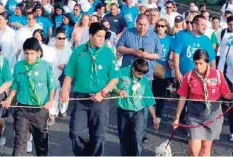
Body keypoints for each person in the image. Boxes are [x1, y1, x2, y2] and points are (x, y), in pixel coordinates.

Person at [60, 22, 120, 156]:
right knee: (75, 132)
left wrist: (103, 92)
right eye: (98, 36)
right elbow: (69, 73)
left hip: (101, 99)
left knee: (98, 135)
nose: (101, 39)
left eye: (103, 37)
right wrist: (64, 89)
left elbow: (115, 77)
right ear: (90, 35)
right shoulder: (79, 51)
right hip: (81, 98)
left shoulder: (108, 53)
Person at [2, 37, 59, 156]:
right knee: (19, 142)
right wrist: (9, 98)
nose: (29, 57)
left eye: (32, 54)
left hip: (40, 110)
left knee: (41, 142)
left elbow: (52, 86)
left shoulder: (46, 66)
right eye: (26, 53)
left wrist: (51, 101)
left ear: (39, 53)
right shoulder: (19, 66)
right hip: (22, 109)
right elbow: (16, 84)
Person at [173, 49, 233, 156]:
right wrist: (177, 117)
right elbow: (182, 97)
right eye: (196, 63)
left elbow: (225, 94)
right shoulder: (189, 75)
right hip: (194, 115)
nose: (198, 66)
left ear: (207, 62)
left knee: (205, 149)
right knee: (193, 149)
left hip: (213, 116)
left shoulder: (217, 75)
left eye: (201, 63)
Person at [116, 14, 163, 141]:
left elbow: (159, 55)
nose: (142, 27)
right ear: (136, 23)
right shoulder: (128, 33)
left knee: (143, 103)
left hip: (145, 76)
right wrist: (132, 51)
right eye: (140, 24)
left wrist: (146, 55)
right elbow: (119, 48)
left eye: (145, 25)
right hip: (128, 75)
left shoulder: (153, 36)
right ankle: (127, 128)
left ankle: (141, 131)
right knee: (127, 101)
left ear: (149, 25)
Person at [114, 58, 159, 156]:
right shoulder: (121, 72)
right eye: (139, 74)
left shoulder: (143, 80)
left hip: (138, 112)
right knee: (124, 138)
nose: (141, 77)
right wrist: (118, 91)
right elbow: (111, 86)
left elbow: (149, 99)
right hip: (123, 111)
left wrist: (154, 117)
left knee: (137, 138)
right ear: (133, 69)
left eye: (143, 75)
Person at [173, 15, 216, 83]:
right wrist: (177, 71)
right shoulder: (183, 36)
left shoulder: (207, 40)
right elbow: (176, 54)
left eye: (205, 25)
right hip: (184, 77)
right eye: (202, 25)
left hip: (201, 79)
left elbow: (212, 60)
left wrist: (213, 76)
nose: (204, 27)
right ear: (195, 26)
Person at [49, 28, 73, 124]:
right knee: (53, 95)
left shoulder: (69, 50)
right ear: (55, 39)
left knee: (64, 94)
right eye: (60, 38)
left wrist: (65, 66)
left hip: (65, 76)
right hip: (53, 76)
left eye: (64, 38)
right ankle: (52, 115)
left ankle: (63, 109)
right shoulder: (50, 49)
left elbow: (72, 64)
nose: (62, 40)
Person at [152, 19, 173, 121]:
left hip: (164, 70)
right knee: (152, 92)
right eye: (158, 26)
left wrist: (171, 60)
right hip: (152, 68)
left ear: (166, 27)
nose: (160, 28)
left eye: (162, 26)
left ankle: (158, 114)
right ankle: (152, 111)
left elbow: (172, 52)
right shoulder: (152, 37)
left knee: (161, 93)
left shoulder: (170, 39)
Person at [217, 15, 233, 141]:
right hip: (229, 76)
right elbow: (222, 57)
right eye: (230, 25)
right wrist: (219, 74)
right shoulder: (225, 36)